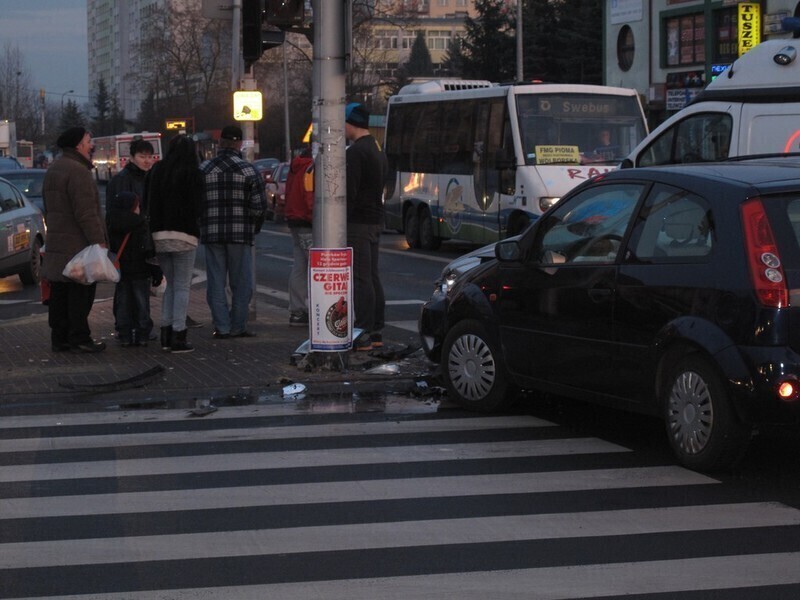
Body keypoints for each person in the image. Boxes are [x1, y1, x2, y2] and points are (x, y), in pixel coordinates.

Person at [41, 127, 108, 353]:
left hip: (58, 242)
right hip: (77, 244)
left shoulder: (54, 169)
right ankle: (80, 337)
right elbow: (86, 213)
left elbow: (49, 207)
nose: (92, 145)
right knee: (81, 291)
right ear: (79, 144)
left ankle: (59, 338)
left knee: (60, 291)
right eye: (89, 141)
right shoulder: (78, 172)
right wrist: (99, 240)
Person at [199, 125, 268, 339]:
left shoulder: (204, 169)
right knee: (241, 283)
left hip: (212, 234)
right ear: (239, 144)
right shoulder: (248, 170)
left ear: (220, 143)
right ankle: (238, 326)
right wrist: (253, 226)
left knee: (216, 281)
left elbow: (196, 202)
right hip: (240, 235)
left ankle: (222, 327)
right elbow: (259, 206)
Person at [145, 134, 204, 353]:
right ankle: (179, 334)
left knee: (170, 285)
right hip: (185, 235)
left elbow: (147, 200)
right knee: (181, 286)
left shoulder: (157, 171)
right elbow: (199, 206)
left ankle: (166, 334)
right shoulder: (194, 174)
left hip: (159, 235)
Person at [344, 102, 388, 351]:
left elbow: (350, 192)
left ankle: (363, 332)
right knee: (371, 276)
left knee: (361, 279)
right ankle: (377, 330)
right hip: (375, 219)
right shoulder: (377, 148)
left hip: (358, 222)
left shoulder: (355, 153)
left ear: (350, 123)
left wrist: (341, 222)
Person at [105, 191, 162, 346]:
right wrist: (156, 272)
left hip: (121, 270)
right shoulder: (141, 223)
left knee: (123, 303)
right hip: (141, 270)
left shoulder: (112, 223)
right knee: (142, 303)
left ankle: (124, 334)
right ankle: (143, 334)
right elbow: (148, 249)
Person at [284, 147, 314, 327]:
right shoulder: (311, 167)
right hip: (307, 222)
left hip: (295, 220)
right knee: (314, 267)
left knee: (300, 266)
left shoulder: (295, 166)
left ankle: (297, 310)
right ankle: (314, 309)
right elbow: (310, 197)